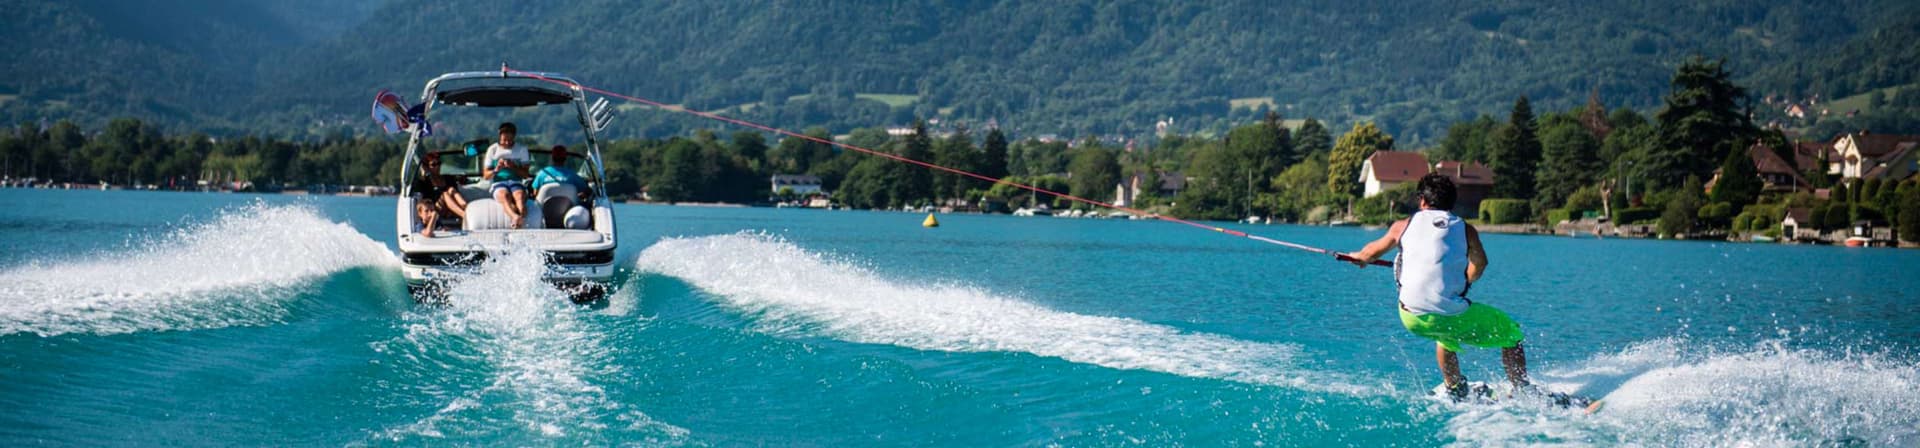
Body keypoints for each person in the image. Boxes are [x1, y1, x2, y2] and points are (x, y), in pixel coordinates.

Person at [1345, 173, 1530, 400]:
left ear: (1422, 201)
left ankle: (1454, 386)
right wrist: (1467, 279)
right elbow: (1480, 263)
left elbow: (1369, 254)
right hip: (1449, 313)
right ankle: (1522, 391)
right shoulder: (1466, 229)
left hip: (1410, 317)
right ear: (1452, 203)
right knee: (1511, 333)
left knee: (1444, 329)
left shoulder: (1402, 226)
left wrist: (1358, 257)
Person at [481, 122, 533, 228]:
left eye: (510, 140)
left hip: (516, 182)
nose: (507, 143)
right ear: (500, 137)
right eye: (504, 140)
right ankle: (515, 216)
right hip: (499, 182)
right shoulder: (493, 150)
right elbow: (486, 175)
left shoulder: (521, 149)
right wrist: (496, 169)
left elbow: (525, 175)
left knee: (519, 195)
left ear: (514, 137)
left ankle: (520, 215)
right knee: (505, 195)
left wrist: (513, 167)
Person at [410, 152, 467, 237]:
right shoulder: (424, 182)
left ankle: (466, 208)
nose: (437, 166)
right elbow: (423, 201)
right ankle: (465, 215)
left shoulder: (448, 178)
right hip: (433, 208)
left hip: (451, 208)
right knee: (445, 194)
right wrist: (424, 173)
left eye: (439, 163)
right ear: (427, 167)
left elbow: (457, 188)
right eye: (434, 164)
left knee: (451, 189)